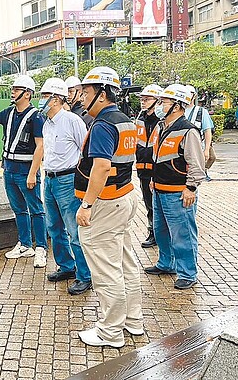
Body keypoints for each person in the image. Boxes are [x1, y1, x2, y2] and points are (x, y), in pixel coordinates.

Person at [74, 66, 142, 348]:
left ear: (102, 94)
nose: (80, 98)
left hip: (105, 203)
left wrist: (87, 204)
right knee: (125, 261)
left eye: (86, 92)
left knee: (105, 268)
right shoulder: (124, 121)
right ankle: (133, 321)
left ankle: (110, 332)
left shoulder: (102, 125)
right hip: (124, 197)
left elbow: (101, 168)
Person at [0, 76, 48, 268]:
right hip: (10, 169)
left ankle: (41, 248)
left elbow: (40, 147)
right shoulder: (9, 112)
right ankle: (24, 245)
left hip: (26, 170)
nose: (13, 92)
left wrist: (33, 174)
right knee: (19, 209)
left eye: (17, 89)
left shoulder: (36, 116)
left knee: (36, 210)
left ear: (28, 93)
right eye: (13, 89)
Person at [144, 84, 206, 290]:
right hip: (159, 190)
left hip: (178, 193)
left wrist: (191, 188)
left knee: (183, 234)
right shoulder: (162, 127)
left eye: (164, 102)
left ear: (178, 106)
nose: (160, 105)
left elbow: (197, 165)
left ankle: (188, 273)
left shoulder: (188, 131)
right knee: (161, 230)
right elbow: (158, 157)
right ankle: (166, 263)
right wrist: (153, 178)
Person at [40, 77, 92, 295]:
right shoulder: (46, 124)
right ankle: (66, 266)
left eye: (45, 97)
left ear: (56, 99)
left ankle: (84, 275)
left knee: (74, 230)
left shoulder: (72, 121)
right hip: (49, 179)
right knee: (54, 227)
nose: (41, 101)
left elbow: (86, 152)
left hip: (67, 181)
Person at [135, 84, 163, 248]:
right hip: (142, 169)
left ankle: (161, 234)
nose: (143, 102)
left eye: (147, 99)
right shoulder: (140, 120)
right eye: (142, 99)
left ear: (157, 101)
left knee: (159, 205)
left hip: (158, 171)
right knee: (149, 204)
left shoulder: (162, 121)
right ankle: (152, 231)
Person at [185, 85, 215, 180]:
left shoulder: (201, 112)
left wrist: (206, 149)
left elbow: (207, 131)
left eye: (190, 94)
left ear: (194, 96)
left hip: (196, 146)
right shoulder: (177, 111)